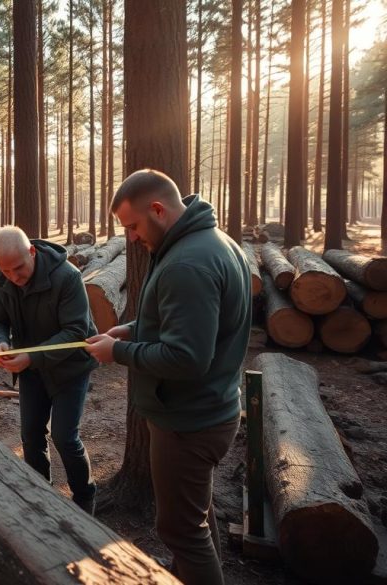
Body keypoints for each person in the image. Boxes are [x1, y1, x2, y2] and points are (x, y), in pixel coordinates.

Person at [85, 169, 250, 585]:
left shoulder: (187, 263)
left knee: (181, 531)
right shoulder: (212, 243)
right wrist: (134, 329)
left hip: (189, 423)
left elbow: (187, 357)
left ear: (157, 209)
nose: (133, 238)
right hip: (205, 411)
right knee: (194, 518)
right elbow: (187, 322)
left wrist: (117, 351)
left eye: (134, 226)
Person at [0, 226, 98, 514]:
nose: (13, 277)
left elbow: (75, 332)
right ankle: (40, 496)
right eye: (5, 270)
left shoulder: (67, 277)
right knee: (31, 435)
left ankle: (84, 499)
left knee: (64, 436)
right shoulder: (1, 278)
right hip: (31, 369)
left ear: (32, 252)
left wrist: (30, 359)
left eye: (19, 268)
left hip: (70, 368)